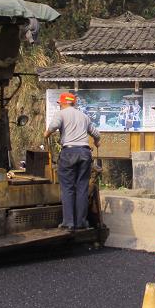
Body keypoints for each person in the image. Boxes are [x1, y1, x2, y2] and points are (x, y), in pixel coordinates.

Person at [44, 92, 100, 229]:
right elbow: (96, 134)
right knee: (82, 188)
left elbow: (53, 126)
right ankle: (81, 222)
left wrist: (46, 134)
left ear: (62, 103)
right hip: (85, 153)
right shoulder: (84, 116)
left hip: (69, 152)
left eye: (59, 104)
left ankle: (68, 222)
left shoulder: (61, 114)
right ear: (73, 103)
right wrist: (97, 143)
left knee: (68, 188)